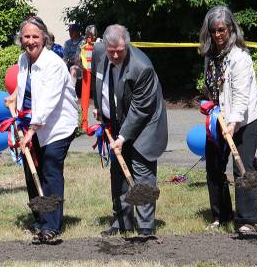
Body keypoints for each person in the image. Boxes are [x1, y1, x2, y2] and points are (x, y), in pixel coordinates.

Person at [90, 24, 168, 239]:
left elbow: (140, 109)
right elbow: (98, 80)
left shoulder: (142, 68)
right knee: (118, 173)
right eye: (111, 51)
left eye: (120, 51)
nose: (115, 55)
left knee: (142, 172)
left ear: (128, 45)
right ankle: (122, 222)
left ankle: (145, 228)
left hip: (146, 123)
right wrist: (99, 107)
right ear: (105, 45)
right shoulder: (98, 52)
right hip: (116, 120)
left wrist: (122, 137)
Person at [198, 6, 257, 235]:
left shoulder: (240, 58)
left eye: (222, 30)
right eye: (214, 30)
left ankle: (247, 219)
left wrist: (233, 123)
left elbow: (240, 96)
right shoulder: (210, 55)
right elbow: (213, 88)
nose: (218, 35)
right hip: (221, 116)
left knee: (242, 166)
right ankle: (221, 215)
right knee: (214, 165)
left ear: (231, 29)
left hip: (247, 118)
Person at [12, 16, 80, 244]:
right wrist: (14, 99)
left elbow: (48, 102)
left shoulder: (53, 63)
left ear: (45, 38)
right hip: (31, 124)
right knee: (32, 173)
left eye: (35, 36)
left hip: (57, 126)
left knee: (49, 170)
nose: (31, 41)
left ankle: (51, 225)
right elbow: (25, 88)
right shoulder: (23, 59)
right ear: (21, 39)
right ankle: (39, 218)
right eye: (27, 37)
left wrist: (31, 131)